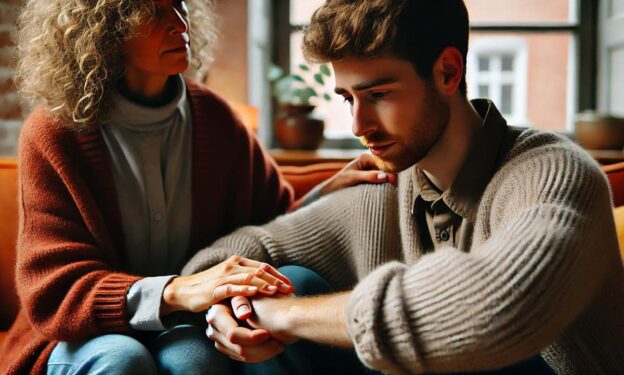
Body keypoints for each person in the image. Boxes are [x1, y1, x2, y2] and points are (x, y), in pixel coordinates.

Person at [183, 0, 624, 373]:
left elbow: (496, 306)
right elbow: (229, 255)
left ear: (448, 72)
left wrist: (287, 316)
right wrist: (230, 305)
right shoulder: (385, 186)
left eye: (378, 95)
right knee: (287, 280)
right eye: (347, 98)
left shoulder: (553, 172)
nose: (359, 125)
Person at [0, 0, 392, 374]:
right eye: (152, 11)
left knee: (194, 362)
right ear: (104, 30)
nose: (178, 22)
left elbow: (267, 224)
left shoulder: (216, 118)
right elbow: (53, 292)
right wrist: (178, 290)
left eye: (179, 5)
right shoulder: (55, 133)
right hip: (78, 334)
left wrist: (324, 194)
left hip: (182, 326)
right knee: (122, 360)